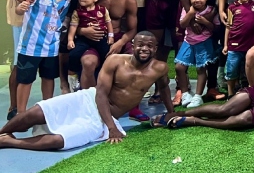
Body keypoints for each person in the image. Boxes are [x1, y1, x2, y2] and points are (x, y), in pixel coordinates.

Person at [0, 32, 172, 150]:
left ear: (155, 49)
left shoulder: (160, 68)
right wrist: (112, 128)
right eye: (140, 45)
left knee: (60, 141)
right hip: (88, 99)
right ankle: (1, 133)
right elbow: (101, 94)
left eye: (150, 46)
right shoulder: (115, 61)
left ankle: (9, 142)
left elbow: (164, 88)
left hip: (104, 119)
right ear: (133, 46)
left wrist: (171, 112)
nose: (144, 49)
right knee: (39, 111)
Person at [80, 0, 143, 121]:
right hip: (93, 38)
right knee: (88, 62)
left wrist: (119, 43)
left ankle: (134, 107)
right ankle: (90, 106)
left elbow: (132, 30)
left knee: (136, 61)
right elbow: (73, 18)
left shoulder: (128, 0)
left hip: (117, 37)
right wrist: (83, 31)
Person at [13, 0, 72, 114]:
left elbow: (59, 20)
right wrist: (21, 8)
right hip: (30, 46)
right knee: (26, 80)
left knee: (49, 78)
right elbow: (20, 8)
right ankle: (21, 114)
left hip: (51, 47)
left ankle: (47, 112)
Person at [175, 0, 219, 108]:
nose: (197, 0)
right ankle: (185, 94)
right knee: (179, 67)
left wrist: (205, 22)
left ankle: (198, 96)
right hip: (188, 41)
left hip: (204, 42)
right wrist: (190, 13)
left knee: (201, 69)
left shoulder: (210, 10)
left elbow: (215, 28)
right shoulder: (187, 9)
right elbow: (182, 24)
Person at [66, 0, 114, 88]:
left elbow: (108, 23)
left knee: (108, 54)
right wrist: (70, 40)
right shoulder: (77, 12)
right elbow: (73, 27)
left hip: (101, 38)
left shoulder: (102, 10)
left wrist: (111, 36)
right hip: (83, 39)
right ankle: (72, 74)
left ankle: (106, 76)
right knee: (73, 54)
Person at [222, 0, 254, 97]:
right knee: (231, 69)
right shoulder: (231, 8)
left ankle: (250, 92)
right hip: (234, 45)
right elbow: (228, 27)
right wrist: (225, 45)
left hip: (251, 45)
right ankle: (230, 93)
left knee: (249, 69)